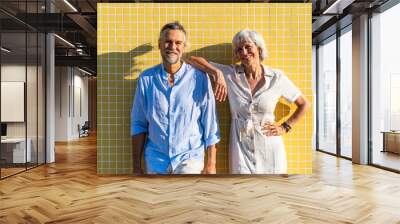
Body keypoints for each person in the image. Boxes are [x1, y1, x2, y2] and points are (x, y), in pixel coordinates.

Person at [187, 29, 310, 174]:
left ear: (259, 48)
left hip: (270, 147)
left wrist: (285, 127)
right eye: (239, 50)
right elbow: (191, 60)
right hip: (240, 150)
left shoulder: (277, 77)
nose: (244, 52)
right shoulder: (230, 74)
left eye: (248, 47)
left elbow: (304, 104)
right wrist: (217, 72)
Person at [131, 22, 221, 175]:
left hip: (190, 159)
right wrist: (136, 167)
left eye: (178, 42)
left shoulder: (199, 78)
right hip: (155, 159)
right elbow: (139, 124)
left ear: (184, 47)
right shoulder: (146, 79)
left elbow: (210, 123)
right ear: (160, 45)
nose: (172, 46)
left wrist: (211, 164)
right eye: (168, 41)